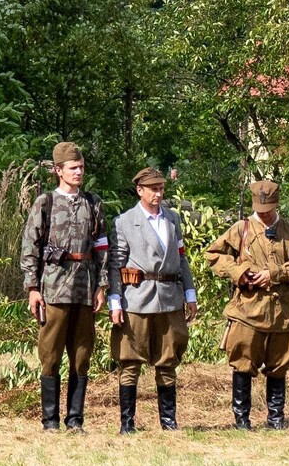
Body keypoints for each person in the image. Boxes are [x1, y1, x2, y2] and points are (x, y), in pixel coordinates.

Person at [206, 181, 289, 430]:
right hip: (247, 311)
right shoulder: (241, 228)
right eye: (260, 209)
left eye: (269, 209)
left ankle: (276, 419)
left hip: (281, 312)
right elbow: (214, 255)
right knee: (243, 363)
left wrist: (273, 273)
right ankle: (241, 421)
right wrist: (239, 272)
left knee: (279, 366)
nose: (264, 213)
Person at [20, 142, 108, 431]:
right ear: (58, 170)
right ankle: (50, 420)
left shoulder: (93, 204)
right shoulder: (45, 203)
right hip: (53, 290)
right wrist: (32, 288)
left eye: (81, 167)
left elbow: (102, 248)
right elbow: (30, 247)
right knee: (50, 355)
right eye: (73, 168)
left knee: (82, 355)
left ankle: (75, 419)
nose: (79, 172)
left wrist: (102, 286)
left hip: (84, 290)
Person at [107, 168, 198, 434]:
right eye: (153, 189)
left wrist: (189, 294)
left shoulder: (172, 219)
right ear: (140, 191)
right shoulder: (124, 221)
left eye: (161, 189)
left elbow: (181, 258)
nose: (158, 194)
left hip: (170, 298)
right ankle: (127, 423)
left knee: (168, 361)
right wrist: (115, 301)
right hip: (137, 299)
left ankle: (168, 422)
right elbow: (116, 264)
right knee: (130, 361)